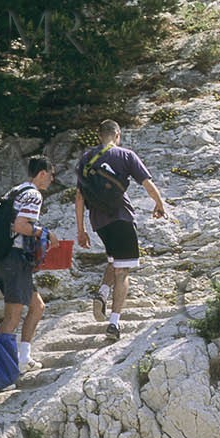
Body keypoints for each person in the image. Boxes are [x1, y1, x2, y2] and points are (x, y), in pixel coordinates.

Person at [75, 121, 166, 340]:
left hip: (98, 221)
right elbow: (147, 183)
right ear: (117, 134)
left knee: (114, 259)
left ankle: (103, 293)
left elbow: (79, 196)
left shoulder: (86, 159)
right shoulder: (126, 155)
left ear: (99, 136)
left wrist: (81, 229)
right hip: (121, 217)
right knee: (123, 270)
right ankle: (114, 324)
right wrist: (159, 203)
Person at [0, 157, 55, 375]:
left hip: (3, 258)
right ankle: (0, 371)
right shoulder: (33, 194)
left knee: (37, 306)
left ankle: (23, 357)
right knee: (12, 317)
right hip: (15, 259)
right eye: (51, 174)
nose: (52, 179)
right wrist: (44, 233)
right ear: (41, 173)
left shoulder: (15, 190)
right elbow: (21, 225)